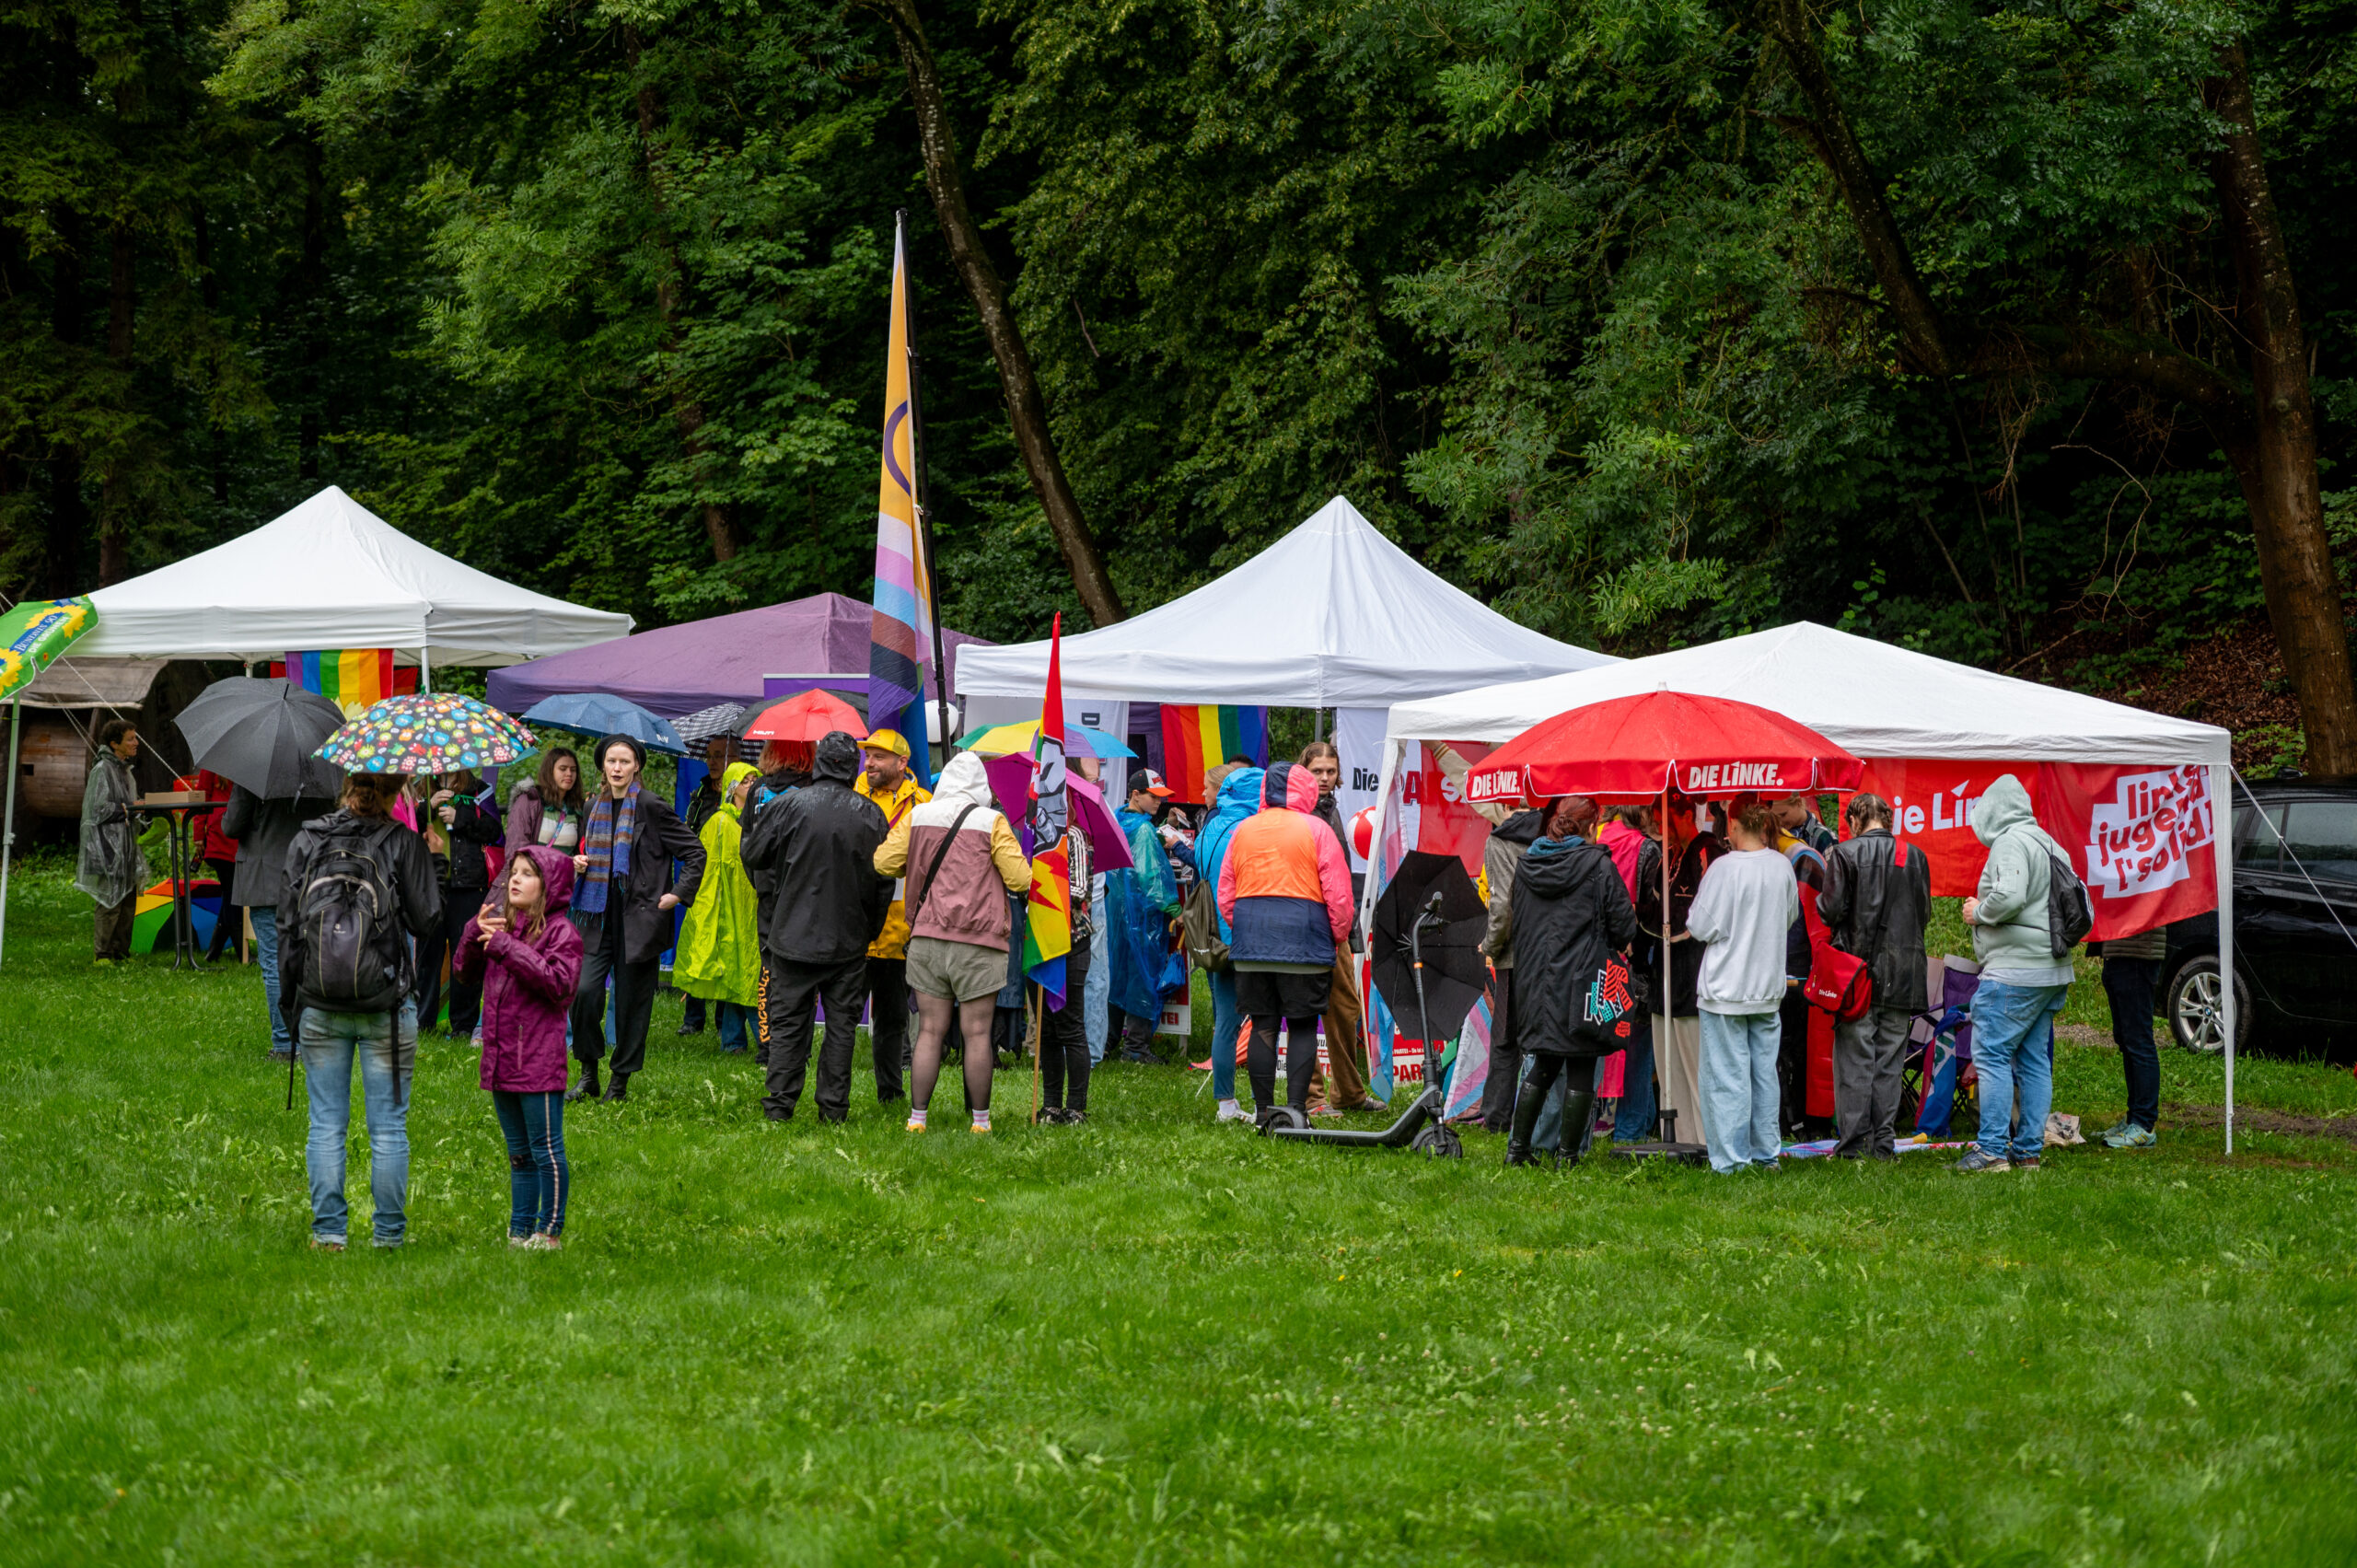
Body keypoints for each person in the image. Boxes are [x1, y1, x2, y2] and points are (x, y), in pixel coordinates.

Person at [278, 772, 441, 1251]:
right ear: (396, 791)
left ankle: (329, 1233)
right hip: (385, 1004)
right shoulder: (403, 841)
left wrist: (291, 1005)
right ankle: (388, 1236)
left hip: (318, 1000)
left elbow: (287, 927)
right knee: (388, 1127)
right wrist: (432, 862)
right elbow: (427, 921)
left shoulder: (307, 839)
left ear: (346, 785)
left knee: (326, 1124)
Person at [876, 750, 1031, 1133]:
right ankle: (980, 1122)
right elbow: (1020, 880)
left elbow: (883, 862)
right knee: (977, 1033)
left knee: (929, 1030)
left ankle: (917, 1119)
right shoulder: (992, 821)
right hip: (980, 944)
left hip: (927, 938)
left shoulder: (918, 816)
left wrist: (915, 861)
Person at [740, 731, 891, 1123]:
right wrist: (870, 930)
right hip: (848, 939)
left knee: (788, 1023)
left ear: (820, 762)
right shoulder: (871, 814)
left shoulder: (789, 805)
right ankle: (833, 1108)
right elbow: (884, 881)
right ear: (854, 768)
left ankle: (779, 1105)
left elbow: (753, 855)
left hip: (792, 934)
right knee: (841, 1028)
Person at [453, 844, 584, 1249]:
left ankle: (550, 1231)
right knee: (519, 1154)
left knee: (546, 1151)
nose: (515, 879)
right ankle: (520, 1230)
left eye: (527, 874)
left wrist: (506, 948)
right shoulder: (501, 927)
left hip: (538, 1062)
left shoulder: (562, 933)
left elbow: (559, 985)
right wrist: (473, 934)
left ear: (549, 885)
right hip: (501, 1058)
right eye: (514, 872)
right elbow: (463, 973)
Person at [565, 735, 705, 1105]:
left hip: (639, 920)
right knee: (583, 992)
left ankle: (619, 1082)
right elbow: (590, 852)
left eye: (624, 762)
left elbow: (694, 852)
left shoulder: (650, 806)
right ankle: (588, 1074)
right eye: (611, 761)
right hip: (596, 917)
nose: (617, 768)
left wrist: (678, 893)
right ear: (602, 765)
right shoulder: (592, 806)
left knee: (631, 1006)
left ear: (636, 767)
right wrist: (579, 862)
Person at [1504, 796, 1639, 1166]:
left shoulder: (1527, 864)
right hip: (1584, 980)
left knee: (1544, 1063)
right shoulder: (1598, 865)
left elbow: (1516, 920)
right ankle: (1567, 1157)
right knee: (1581, 1063)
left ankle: (1517, 1151)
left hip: (1535, 981)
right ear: (1592, 826)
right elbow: (1624, 926)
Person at [1218, 761, 1354, 1120]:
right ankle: (1295, 1111)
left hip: (1251, 944)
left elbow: (1226, 896)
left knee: (1263, 1024)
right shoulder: (1318, 829)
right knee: (1302, 1026)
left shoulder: (1243, 830)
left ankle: (1264, 1112)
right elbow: (1339, 895)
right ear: (1306, 789)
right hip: (1305, 942)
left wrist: (1248, 929)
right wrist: (1337, 935)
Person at [1956, 774, 2075, 1173]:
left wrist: (1978, 912)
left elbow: (2010, 895)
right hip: (2051, 969)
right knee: (2034, 1060)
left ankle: (1991, 1151)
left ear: (1993, 811)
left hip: (2014, 971)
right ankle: (2027, 1153)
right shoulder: (2049, 843)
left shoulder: (2010, 841)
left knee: (1991, 1054)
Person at [1685, 796, 1799, 1175]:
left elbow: (1699, 926)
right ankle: (1766, 1154)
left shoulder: (1723, 868)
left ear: (1732, 824)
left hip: (1725, 988)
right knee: (1764, 1075)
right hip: (1766, 986)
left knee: (1726, 1077)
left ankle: (1732, 1161)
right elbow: (1789, 916)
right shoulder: (1782, 866)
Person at [1817, 792, 1932, 1160]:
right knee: (1889, 1064)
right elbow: (1924, 914)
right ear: (1889, 820)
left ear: (1854, 820)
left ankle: (1853, 1146)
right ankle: (1883, 1145)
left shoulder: (1845, 854)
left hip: (1858, 975)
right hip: (1904, 976)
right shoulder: (1916, 856)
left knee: (1855, 1062)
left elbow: (1829, 911)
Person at [1635, 796, 1725, 1145]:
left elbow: (1705, 917)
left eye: (1666, 820)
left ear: (1687, 814)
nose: (1661, 828)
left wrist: (1666, 927)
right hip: (1664, 975)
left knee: (1696, 1064)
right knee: (1668, 1062)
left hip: (1694, 976)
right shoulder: (1666, 856)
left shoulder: (1708, 853)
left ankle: (1706, 1141)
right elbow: (1655, 909)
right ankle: (1679, 1139)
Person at [222, 782, 335, 1059]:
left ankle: (286, 1043)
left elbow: (231, 825)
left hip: (267, 879)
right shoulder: (323, 771)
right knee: (311, 959)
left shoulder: (254, 772)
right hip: (312, 874)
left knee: (275, 962)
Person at [1297, 741, 1379, 1112]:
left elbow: (1340, 878)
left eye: (1331, 771)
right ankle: (1311, 1096)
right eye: (1317, 771)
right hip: (1308, 925)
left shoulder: (1331, 809)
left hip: (1338, 928)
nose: (1325, 778)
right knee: (1304, 1012)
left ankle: (1348, 1094)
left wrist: (1347, 929)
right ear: (1304, 772)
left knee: (1345, 1008)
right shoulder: (1298, 813)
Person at [853, 729, 931, 1101]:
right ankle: (833, 1096)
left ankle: (890, 1093)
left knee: (892, 1019)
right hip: (856, 929)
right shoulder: (852, 796)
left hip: (900, 932)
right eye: (867, 756)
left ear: (902, 763)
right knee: (844, 1017)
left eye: (878, 757)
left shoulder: (924, 804)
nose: (869, 763)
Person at [673, 762, 762, 1054]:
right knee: (738, 972)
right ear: (732, 788)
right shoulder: (720, 823)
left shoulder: (760, 820)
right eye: (746, 781)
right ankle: (760, 1043)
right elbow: (709, 870)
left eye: (755, 779)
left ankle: (734, 1041)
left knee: (746, 970)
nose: (752, 784)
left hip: (753, 905)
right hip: (727, 909)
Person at [1192, 763, 1262, 1122]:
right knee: (1263, 1021)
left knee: (1225, 1023)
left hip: (1216, 938)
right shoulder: (1252, 831)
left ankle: (1226, 1104)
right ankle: (1265, 1102)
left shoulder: (1209, 829)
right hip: (1248, 936)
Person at [416, 770, 503, 1039]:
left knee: (466, 955)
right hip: (429, 884)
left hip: (469, 886)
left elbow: (494, 832)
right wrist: (427, 807)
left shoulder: (479, 789)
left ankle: (463, 1026)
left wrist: (460, 818)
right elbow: (405, 829)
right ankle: (423, 1023)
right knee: (427, 957)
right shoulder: (421, 789)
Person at [1479, 805, 1547, 1132]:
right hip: (1552, 949)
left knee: (1505, 1038)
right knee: (1545, 1036)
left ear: (1504, 805)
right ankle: (1539, 1118)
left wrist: (1490, 945)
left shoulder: (1499, 839)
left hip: (1515, 954)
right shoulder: (1553, 831)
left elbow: (1502, 904)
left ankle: (1497, 1117)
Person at [1107, 770, 1182, 1063]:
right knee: (1142, 976)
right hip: (1142, 918)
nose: (1159, 802)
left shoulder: (1117, 818)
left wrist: (1165, 826)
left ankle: (1107, 1040)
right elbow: (1152, 878)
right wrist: (1175, 910)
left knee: (1117, 974)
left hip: (1116, 915)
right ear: (1136, 795)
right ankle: (1136, 1047)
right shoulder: (1144, 831)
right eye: (1154, 796)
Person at [1597, 806, 1658, 1142]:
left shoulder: (1597, 839)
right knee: (1638, 1046)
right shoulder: (1646, 848)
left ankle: (1640, 1121)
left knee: (1611, 1041)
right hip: (1636, 960)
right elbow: (1651, 912)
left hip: (1601, 960)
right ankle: (1630, 1130)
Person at [1037, 793, 1098, 1124]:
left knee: (1070, 1026)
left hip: (1071, 940)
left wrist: (1039, 887)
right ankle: (1050, 1104)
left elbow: (1079, 889)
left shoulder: (1074, 836)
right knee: (1046, 1030)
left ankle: (1075, 1106)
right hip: (1040, 941)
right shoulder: (1032, 837)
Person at [677, 735, 740, 1036]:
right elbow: (688, 834)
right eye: (710, 755)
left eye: (720, 755)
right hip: (703, 879)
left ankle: (723, 1020)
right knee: (699, 942)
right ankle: (693, 1018)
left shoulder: (743, 793)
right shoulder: (700, 793)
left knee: (726, 945)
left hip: (732, 881)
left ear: (735, 759)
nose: (713, 761)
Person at [1771, 806, 1829, 1137]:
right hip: (1788, 964)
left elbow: (1817, 918)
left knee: (1794, 1049)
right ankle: (1789, 1119)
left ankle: (1797, 1119)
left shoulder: (1802, 856)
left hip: (1799, 968)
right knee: (1782, 1048)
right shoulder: (1790, 856)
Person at [76, 719, 147, 962]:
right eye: (130, 739)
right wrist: (129, 809)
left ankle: (121, 952)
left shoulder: (125, 770)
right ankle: (103, 954)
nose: (136, 742)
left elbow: (126, 804)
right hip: (107, 848)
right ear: (115, 744)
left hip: (126, 845)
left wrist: (136, 809)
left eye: (135, 737)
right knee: (110, 901)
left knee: (128, 900)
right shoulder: (103, 769)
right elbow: (98, 809)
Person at [2095, 923, 2165, 1148]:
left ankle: (2144, 1125)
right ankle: (2133, 1117)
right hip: (2118, 952)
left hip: (2137, 955)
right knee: (2126, 1040)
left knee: (2138, 1040)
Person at [193, 769, 246, 963]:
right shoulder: (214, 764)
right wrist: (198, 834)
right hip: (221, 833)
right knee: (233, 895)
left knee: (231, 894)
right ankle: (242, 952)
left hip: (236, 831)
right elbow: (202, 796)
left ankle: (213, 953)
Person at [504, 748, 586, 857]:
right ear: (549, 771)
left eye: (573, 770)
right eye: (563, 769)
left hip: (566, 868)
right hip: (532, 867)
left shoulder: (577, 807)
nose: (569, 773)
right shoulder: (529, 801)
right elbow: (516, 846)